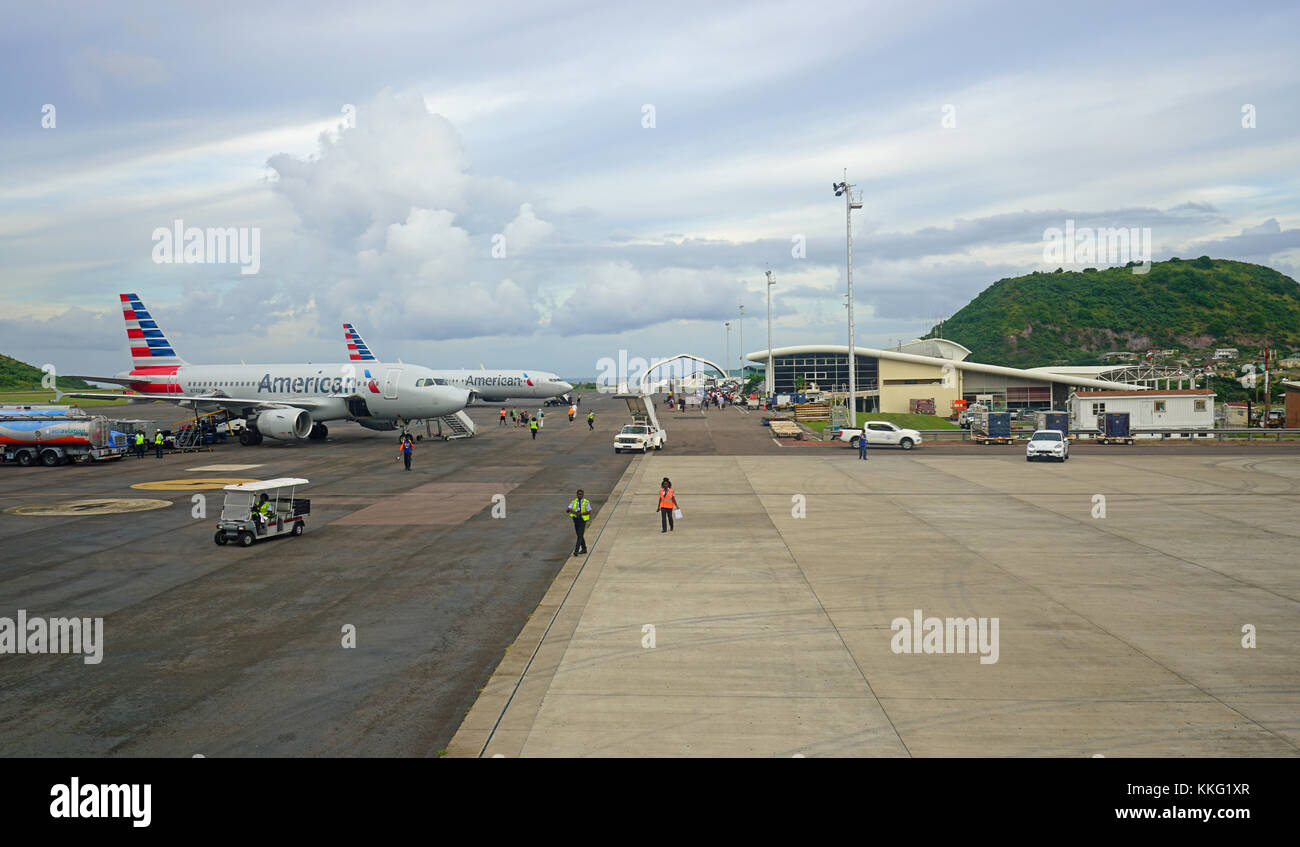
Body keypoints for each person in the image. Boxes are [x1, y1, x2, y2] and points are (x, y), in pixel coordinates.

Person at [566, 488, 592, 555]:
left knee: (579, 536)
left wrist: (581, 513)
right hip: (576, 520)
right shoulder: (574, 501)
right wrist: (571, 511)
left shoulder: (586, 502)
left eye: (581, 494)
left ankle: (576, 551)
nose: (579, 495)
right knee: (579, 535)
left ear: (583, 495)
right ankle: (584, 549)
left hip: (582, 520)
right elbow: (568, 509)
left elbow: (589, 511)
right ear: (577, 495)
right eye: (578, 494)